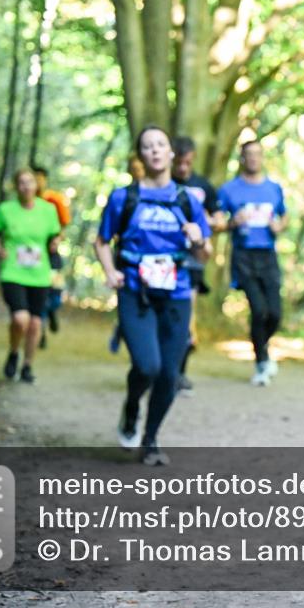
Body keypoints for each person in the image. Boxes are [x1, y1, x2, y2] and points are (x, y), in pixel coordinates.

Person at [94, 125, 212, 466]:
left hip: (175, 293)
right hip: (135, 291)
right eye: (148, 146)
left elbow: (205, 255)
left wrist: (199, 240)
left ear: (171, 152)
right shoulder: (124, 198)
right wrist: (110, 271)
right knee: (147, 366)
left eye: (161, 144)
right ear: (141, 155)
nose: (155, 151)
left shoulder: (187, 199)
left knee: (169, 374)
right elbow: (101, 241)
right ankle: (131, 409)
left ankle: (150, 439)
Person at [217, 140, 287, 387]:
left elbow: (284, 216)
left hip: (268, 256)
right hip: (243, 256)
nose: (254, 159)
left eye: (257, 154)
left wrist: (279, 226)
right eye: (249, 155)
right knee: (258, 310)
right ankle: (261, 362)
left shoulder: (274, 188)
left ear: (262, 157)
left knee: (275, 314)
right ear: (242, 159)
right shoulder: (229, 190)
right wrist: (231, 223)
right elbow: (215, 222)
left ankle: (262, 346)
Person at [0, 168, 62, 384]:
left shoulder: (48, 210)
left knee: (35, 324)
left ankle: (27, 365)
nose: (26, 186)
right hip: (13, 271)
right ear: (16, 186)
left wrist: (55, 242)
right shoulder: (5, 209)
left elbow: (56, 234)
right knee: (20, 319)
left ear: (36, 185)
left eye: (30, 182)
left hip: (39, 274)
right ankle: (14, 351)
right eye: (21, 182)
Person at [171, 136, 222, 397]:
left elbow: (219, 218)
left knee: (186, 320)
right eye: (178, 163)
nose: (182, 168)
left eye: (187, 163)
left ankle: (178, 373)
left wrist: (207, 226)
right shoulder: (163, 186)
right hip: (163, 259)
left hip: (194, 260)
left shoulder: (202, 187)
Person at [34, 166, 72, 347]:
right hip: (32, 256)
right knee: (37, 293)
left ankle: (51, 311)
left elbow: (63, 227)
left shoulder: (54, 200)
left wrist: (56, 241)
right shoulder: (24, 201)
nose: (37, 182)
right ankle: (39, 330)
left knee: (55, 294)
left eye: (40, 178)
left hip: (51, 256)